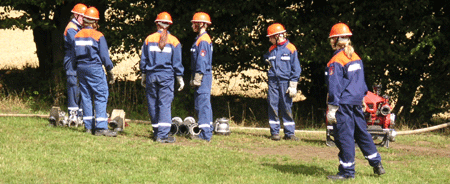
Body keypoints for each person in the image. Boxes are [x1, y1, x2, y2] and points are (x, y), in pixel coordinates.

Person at [325, 22, 385, 180]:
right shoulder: (355, 57)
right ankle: (377, 164)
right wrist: (363, 98)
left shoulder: (336, 60)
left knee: (344, 136)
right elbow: (361, 82)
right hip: (357, 101)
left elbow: (335, 86)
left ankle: (347, 172)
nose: (330, 42)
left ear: (336, 40)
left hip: (343, 104)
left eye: (332, 39)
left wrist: (332, 107)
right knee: (362, 133)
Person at [140, 12, 184, 143]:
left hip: (151, 76)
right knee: (164, 104)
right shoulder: (174, 41)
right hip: (166, 76)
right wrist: (180, 78)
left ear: (156, 23)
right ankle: (163, 135)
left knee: (152, 103)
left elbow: (144, 60)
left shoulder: (148, 39)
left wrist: (143, 75)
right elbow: (177, 62)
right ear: (169, 25)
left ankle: (156, 132)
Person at [74, 6, 116, 137]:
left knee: (86, 96)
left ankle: (88, 127)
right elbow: (104, 56)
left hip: (81, 68)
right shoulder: (98, 35)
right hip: (94, 68)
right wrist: (110, 70)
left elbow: (74, 54)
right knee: (101, 94)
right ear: (95, 22)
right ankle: (101, 127)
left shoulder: (77, 35)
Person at [263, 23, 302, 141]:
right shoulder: (271, 49)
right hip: (273, 82)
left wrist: (293, 85)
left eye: (271, 37)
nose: (269, 39)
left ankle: (289, 133)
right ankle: (275, 132)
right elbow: (266, 57)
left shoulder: (291, 48)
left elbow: (296, 68)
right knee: (272, 104)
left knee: (286, 106)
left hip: (285, 82)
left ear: (277, 36)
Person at [189, 12, 213, 142]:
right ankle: (207, 130)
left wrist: (198, 76)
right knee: (203, 103)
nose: (192, 25)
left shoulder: (203, 40)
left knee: (202, 104)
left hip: (203, 75)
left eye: (194, 23)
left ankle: (205, 134)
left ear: (201, 24)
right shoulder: (200, 39)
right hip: (202, 74)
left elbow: (202, 60)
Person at [63, 3, 87, 124]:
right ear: (76, 15)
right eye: (83, 17)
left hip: (79, 59)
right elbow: (77, 44)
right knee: (73, 86)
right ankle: (73, 115)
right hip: (72, 59)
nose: (85, 20)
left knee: (82, 86)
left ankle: (82, 114)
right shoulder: (71, 28)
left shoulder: (79, 28)